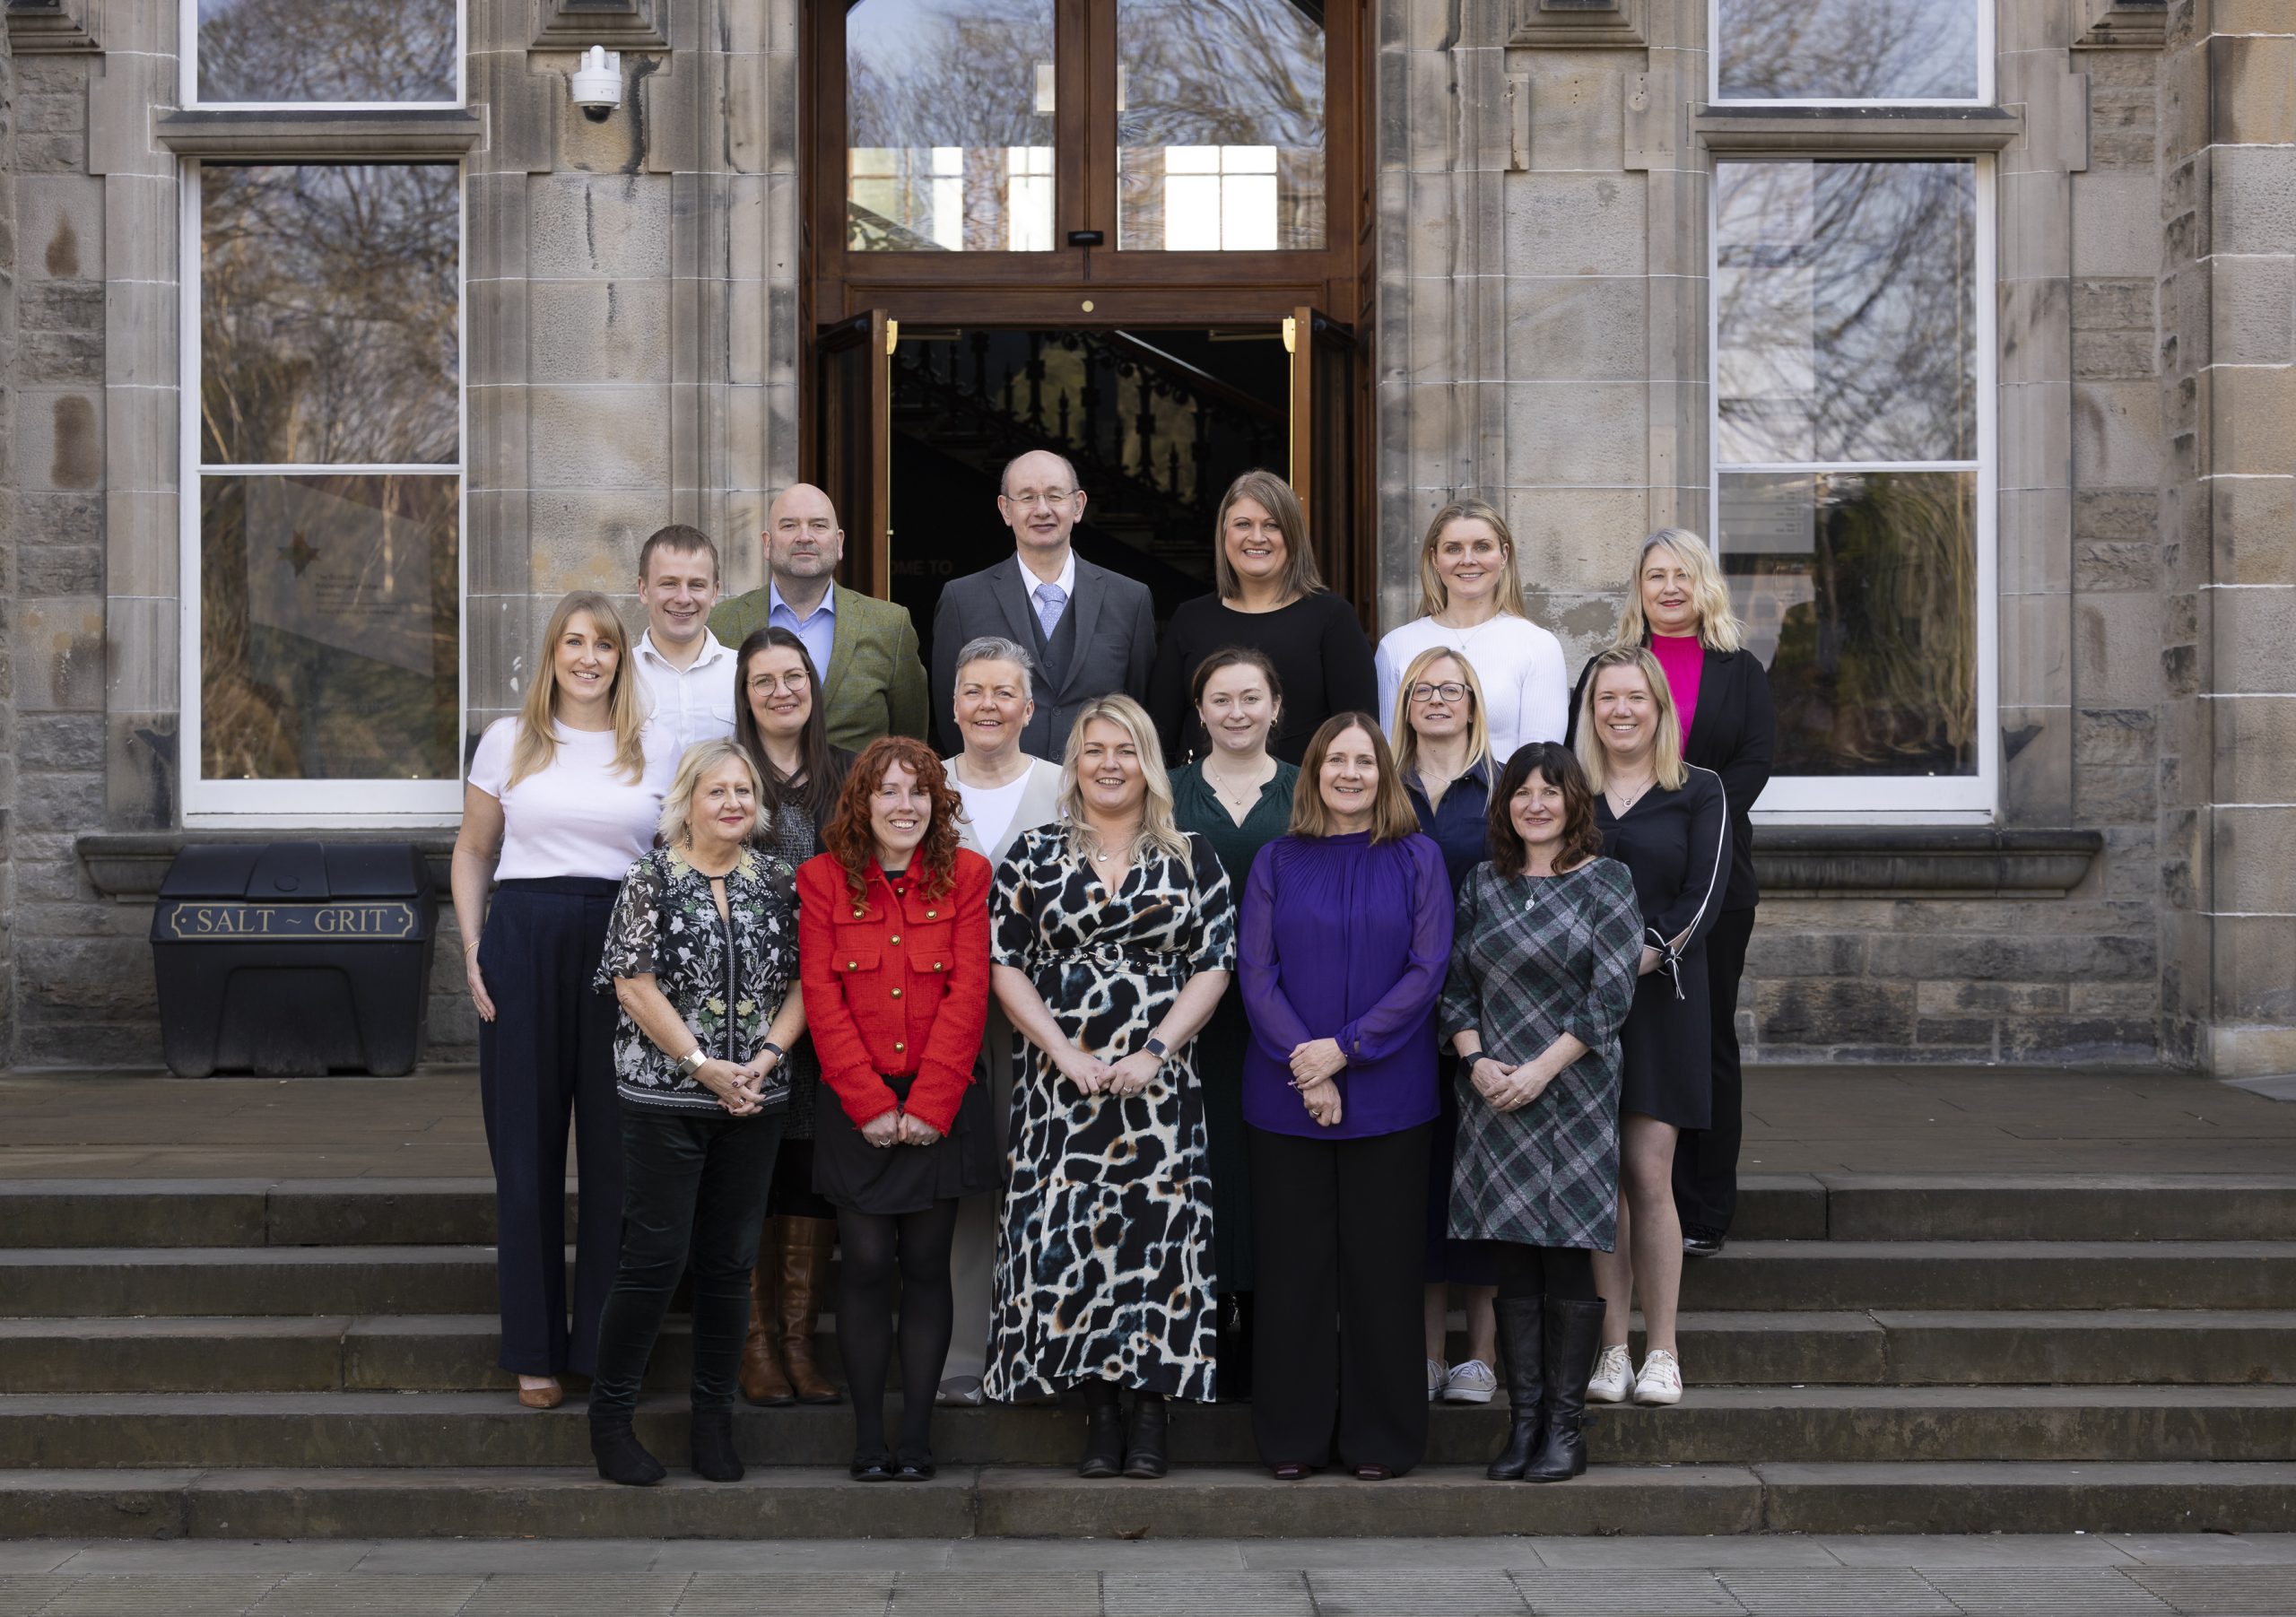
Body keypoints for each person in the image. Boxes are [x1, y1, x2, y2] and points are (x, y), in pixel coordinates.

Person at [985, 695, 1234, 1481]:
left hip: (1159, 1086)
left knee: (1157, 1240)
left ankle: (1152, 1412)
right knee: (1071, 1242)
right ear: (1074, 763)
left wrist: (1157, 1050)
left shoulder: (1194, 854)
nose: (1108, 763)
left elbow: (1215, 962)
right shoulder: (1032, 852)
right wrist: (1060, 1050)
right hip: (1061, 1084)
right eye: (1092, 750)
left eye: (1125, 748)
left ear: (1149, 760)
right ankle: (1097, 1411)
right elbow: (1005, 962)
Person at [449, 592, 677, 1410]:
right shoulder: (509, 741)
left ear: (623, 659)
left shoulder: (657, 746)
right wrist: (474, 949)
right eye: (574, 642)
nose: (589, 656)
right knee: (527, 1150)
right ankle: (535, 1348)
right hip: (524, 940)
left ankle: (604, 1346)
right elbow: (475, 850)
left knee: (621, 1154)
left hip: (622, 948)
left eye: (605, 645)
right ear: (551, 654)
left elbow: (674, 862)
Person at [587, 739, 809, 1486]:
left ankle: (713, 1425)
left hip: (755, 1100)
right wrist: (702, 1066)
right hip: (664, 1098)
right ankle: (611, 1424)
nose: (734, 803)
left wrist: (767, 1060)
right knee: (653, 1260)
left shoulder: (779, 880)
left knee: (728, 1265)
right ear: (686, 802)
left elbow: (807, 981)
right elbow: (633, 985)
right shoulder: (650, 879)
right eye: (717, 791)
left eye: (744, 790)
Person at [1239, 713, 1454, 1481]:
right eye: (1337, 760)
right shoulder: (1275, 859)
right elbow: (1255, 973)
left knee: (1382, 1272)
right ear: (1315, 772)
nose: (1352, 773)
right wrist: (1311, 1068)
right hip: (1284, 1097)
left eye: (1366, 761)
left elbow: (1427, 971)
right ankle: (1292, 1438)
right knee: (1294, 1272)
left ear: (1384, 774)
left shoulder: (1419, 858)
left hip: (1391, 1097)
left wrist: (1346, 1049)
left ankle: (1382, 1439)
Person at [1439, 743, 1642, 1482]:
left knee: (1564, 1257)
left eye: (1549, 793)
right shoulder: (1482, 886)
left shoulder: (1608, 883)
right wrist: (1476, 1059)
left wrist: (1541, 1069)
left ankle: (1565, 1427)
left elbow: (1611, 994)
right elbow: (1455, 985)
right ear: (1506, 805)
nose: (1534, 804)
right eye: (1521, 792)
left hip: (1574, 1091)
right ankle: (1522, 1426)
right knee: (1512, 1259)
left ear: (1573, 803)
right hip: (1493, 1091)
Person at [1570, 528, 1774, 1261]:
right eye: (1655, 575)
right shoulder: (1610, 667)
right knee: (1617, 1036)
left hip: (1710, 876)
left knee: (1705, 1038)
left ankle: (1704, 1206)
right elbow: (1579, 764)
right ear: (1640, 587)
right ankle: (1611, 1198)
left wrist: (1693, 812)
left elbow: (1755, 759)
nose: (1669, 588)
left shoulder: (1739, 668)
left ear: (1704, 585)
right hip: (1616, 871)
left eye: (1683, 575)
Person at [797, 738, 995, 1481]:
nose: (904, 805)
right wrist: (870, 1102)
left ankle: (916, 1435)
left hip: (939, 1102)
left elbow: (968, 993)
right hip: (859, 1105)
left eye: (918, 791)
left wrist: (933, 1101)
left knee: (924, 1262)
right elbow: (822, 997)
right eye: (888, 792)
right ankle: (866, 1437)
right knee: (867, 1263)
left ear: (937, 802)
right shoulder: (821, 881)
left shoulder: (966, 875)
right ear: (862, 801)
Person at [1573, 646, 1728, 1409]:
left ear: (1660, 705)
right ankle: (1610, 1348)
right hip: (1579, 1010)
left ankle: (1661, 1347)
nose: (1621, 710)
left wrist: (1642, 951)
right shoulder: (1572, 791)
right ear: (1590, 708)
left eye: (1636, 696)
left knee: (1647, 1174)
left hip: (1661, 1000)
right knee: (1600, 1182)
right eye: (1607, 698)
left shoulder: (1699, 789)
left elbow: (1704, 897)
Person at [1167, 647, 1300, 1401]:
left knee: (1269, 1172)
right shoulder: (1170, 792)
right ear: (1201, 709)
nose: (1238, 711)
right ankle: (1206, 1329)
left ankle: (1268, 1334)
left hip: (1285, 1012)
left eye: (1252, 697)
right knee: (1204, 1166)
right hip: (1193, 1014)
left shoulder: (1307, 791)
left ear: (1276, 706)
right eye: (1222, 699)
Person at [729, 627, 857, 1409]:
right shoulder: (728, 770)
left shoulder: (846, 772)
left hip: (830, 998)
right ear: (744, 696)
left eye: (793, 675)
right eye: (762, 680)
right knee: (752, 1172)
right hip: (743, 1002)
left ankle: (801, 1344)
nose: (781, 690)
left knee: (808, 1173)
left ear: (812, 682)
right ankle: (755, 1343)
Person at [937, 637, 1065, 1407]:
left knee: (1048, 1181)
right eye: (973, 691)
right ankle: (963, 1350)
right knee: (969, 1185)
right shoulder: (922, 785)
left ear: (1029, 708)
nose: (988, 706)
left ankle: (1046, 1344)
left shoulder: (1064, 785)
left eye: (1004, 692)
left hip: (1052, 1018)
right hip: (946, 1021)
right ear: (953, 705)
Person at [1390, 647, 1503, 1409]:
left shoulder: (1498, 790)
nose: (1436, 700)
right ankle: (1427, 1352)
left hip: (1485, 1011)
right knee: (1421, 1185)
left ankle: (1481, 1355)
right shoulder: (1379, 789)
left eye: (1450, 690)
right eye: (1421, 689)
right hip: (1397, 1012)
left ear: (1472, 704)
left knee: (1482, 1181)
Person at [930, 450, 1157, 761]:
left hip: (1098, 794)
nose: (1042, 510)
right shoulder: (962, 600)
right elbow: (949, 712)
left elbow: (1140, 708)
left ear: (1078, 505)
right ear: (1005, 509)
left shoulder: (1130, 599)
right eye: (1026, 498)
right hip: (997, 794)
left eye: (1054, 496)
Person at [1146, 468, 1378, 766]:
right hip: (1200, 804)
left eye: (1272, 525)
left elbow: (1359, 733)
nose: (1257, 538)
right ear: (1224, 532)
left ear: (1293, 535)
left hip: (1303, 804)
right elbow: (1159, 735)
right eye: (1243, 524)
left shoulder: (1332, 618)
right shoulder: (1190, 618)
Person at [711, 482, 930, 752]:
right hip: (756, 791)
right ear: (767, 544)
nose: (805, 536)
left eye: (818, 525)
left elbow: (910, 744)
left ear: (839, 543)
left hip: (856, 791)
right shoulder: (720, 625)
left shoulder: (890, 627)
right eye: (789, 525)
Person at [1374, 500, 1569, 762]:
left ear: (1504, 555)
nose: (1468, 560)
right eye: (1453, 549)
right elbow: (1389, 756)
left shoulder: (1537, 645)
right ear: (1434, 558)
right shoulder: (1396, 645)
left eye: (1482, 547)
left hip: (1504, 801)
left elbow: (1539, 764)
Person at [631, 525, 737, 753]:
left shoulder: (742, 672)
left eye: (697, 585)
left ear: (715, 593)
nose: (683, 598)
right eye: (669, 583)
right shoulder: (620, 674)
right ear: (643, 590)